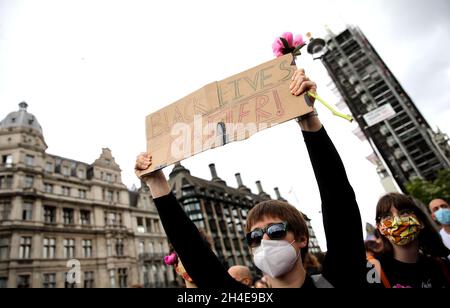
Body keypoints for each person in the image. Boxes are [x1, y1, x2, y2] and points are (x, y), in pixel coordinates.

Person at [135, 68, 367, 288]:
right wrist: (156, 183)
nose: (264, 239)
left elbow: (339, 201)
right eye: (254, 236)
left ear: (302, 238)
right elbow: (194, 253)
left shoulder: (339, 280)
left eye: (275, 231)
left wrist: (309, 121)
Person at [370, 193, 450, 288]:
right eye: (387, 216)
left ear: (420, 222)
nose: (398, 221)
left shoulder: (441, 267)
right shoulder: (373, 271)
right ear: (380, 228)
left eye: (404, 213)